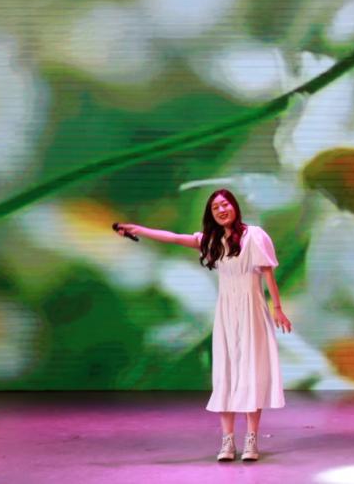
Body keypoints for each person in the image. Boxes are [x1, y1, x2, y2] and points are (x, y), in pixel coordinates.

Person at [114, 189, 292, 462]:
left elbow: (268, 273)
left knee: (251, 375)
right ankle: (227, 441)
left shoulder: (255, 235)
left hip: (253, 310)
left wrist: (277, 309)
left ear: (235, 206)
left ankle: (251, 440)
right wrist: (140, 230)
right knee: (225, 376)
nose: (221, 210)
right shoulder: (212, 240)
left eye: (225, 204)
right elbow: (175, 238)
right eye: (215, 207)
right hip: (226, 311)